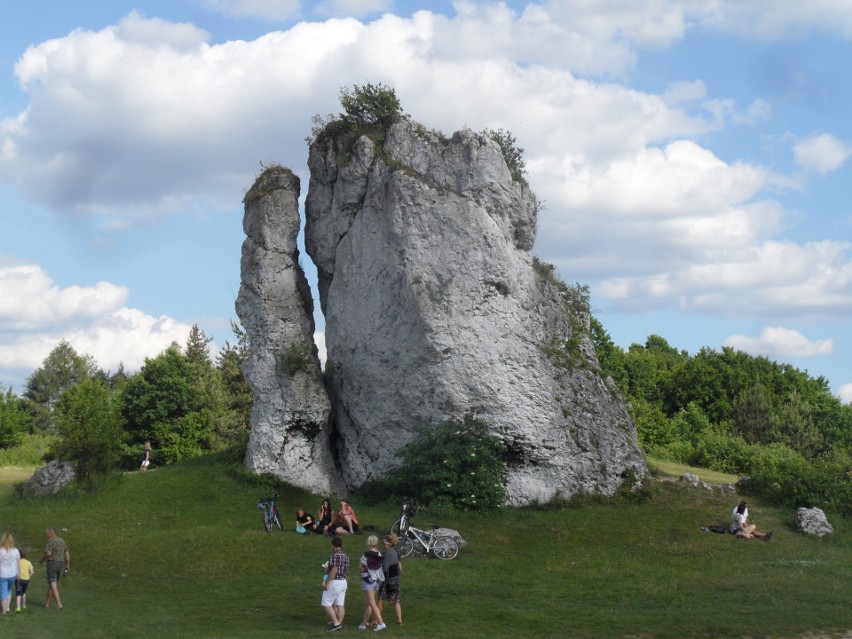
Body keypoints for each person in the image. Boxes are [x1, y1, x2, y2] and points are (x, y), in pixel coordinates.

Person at [358, 535, 386, 631]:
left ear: (369, 543)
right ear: (376, 543)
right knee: (369, 603)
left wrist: (363, 569)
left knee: (371, 603)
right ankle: (363, 624)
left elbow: (360, 568)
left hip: (368, 581)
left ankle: (381, 623)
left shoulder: (366, 555)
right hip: (377, 581)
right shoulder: (379, 554)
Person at [321, 536, 349, 632]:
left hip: (335, 582)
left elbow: (334, 570)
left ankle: (336, 624)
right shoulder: (345, 556)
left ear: (333, 545)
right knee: (340, 604)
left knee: (326, 603)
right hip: (343, 582)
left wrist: (327, 582)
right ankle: (338, 623)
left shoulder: (335, 556)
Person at [40, 527, 70, 609]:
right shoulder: (61, 540)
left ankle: (59, 604)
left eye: (47, 533)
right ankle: (47, 603)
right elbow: (66, 553)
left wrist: (42, 560)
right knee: (52, 583)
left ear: (51, 533)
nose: (46, 535)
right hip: (60, 563)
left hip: (52, 563)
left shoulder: (50, 541)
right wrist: (67, 564)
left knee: (53, 583)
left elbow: (48, 554)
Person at [378, 534, 403, 626]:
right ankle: (399, 620)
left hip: (386, 579)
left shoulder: (385, 554)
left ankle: (377, 620)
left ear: (387, 544)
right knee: (396, 600)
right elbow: (400, 568)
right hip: (396, 579)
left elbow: (384, 568)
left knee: (381, 598)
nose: (383, 545)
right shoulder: (397, 552)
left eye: (383, 543)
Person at [0, 533, 20, 614]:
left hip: (2, 574)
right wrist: (19, 573)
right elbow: (18, 563)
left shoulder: (1, 551)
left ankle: (4, 610)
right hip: (12, 574)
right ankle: (7, 608)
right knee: (9, 590)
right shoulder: (15, 551)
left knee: (3, 591)